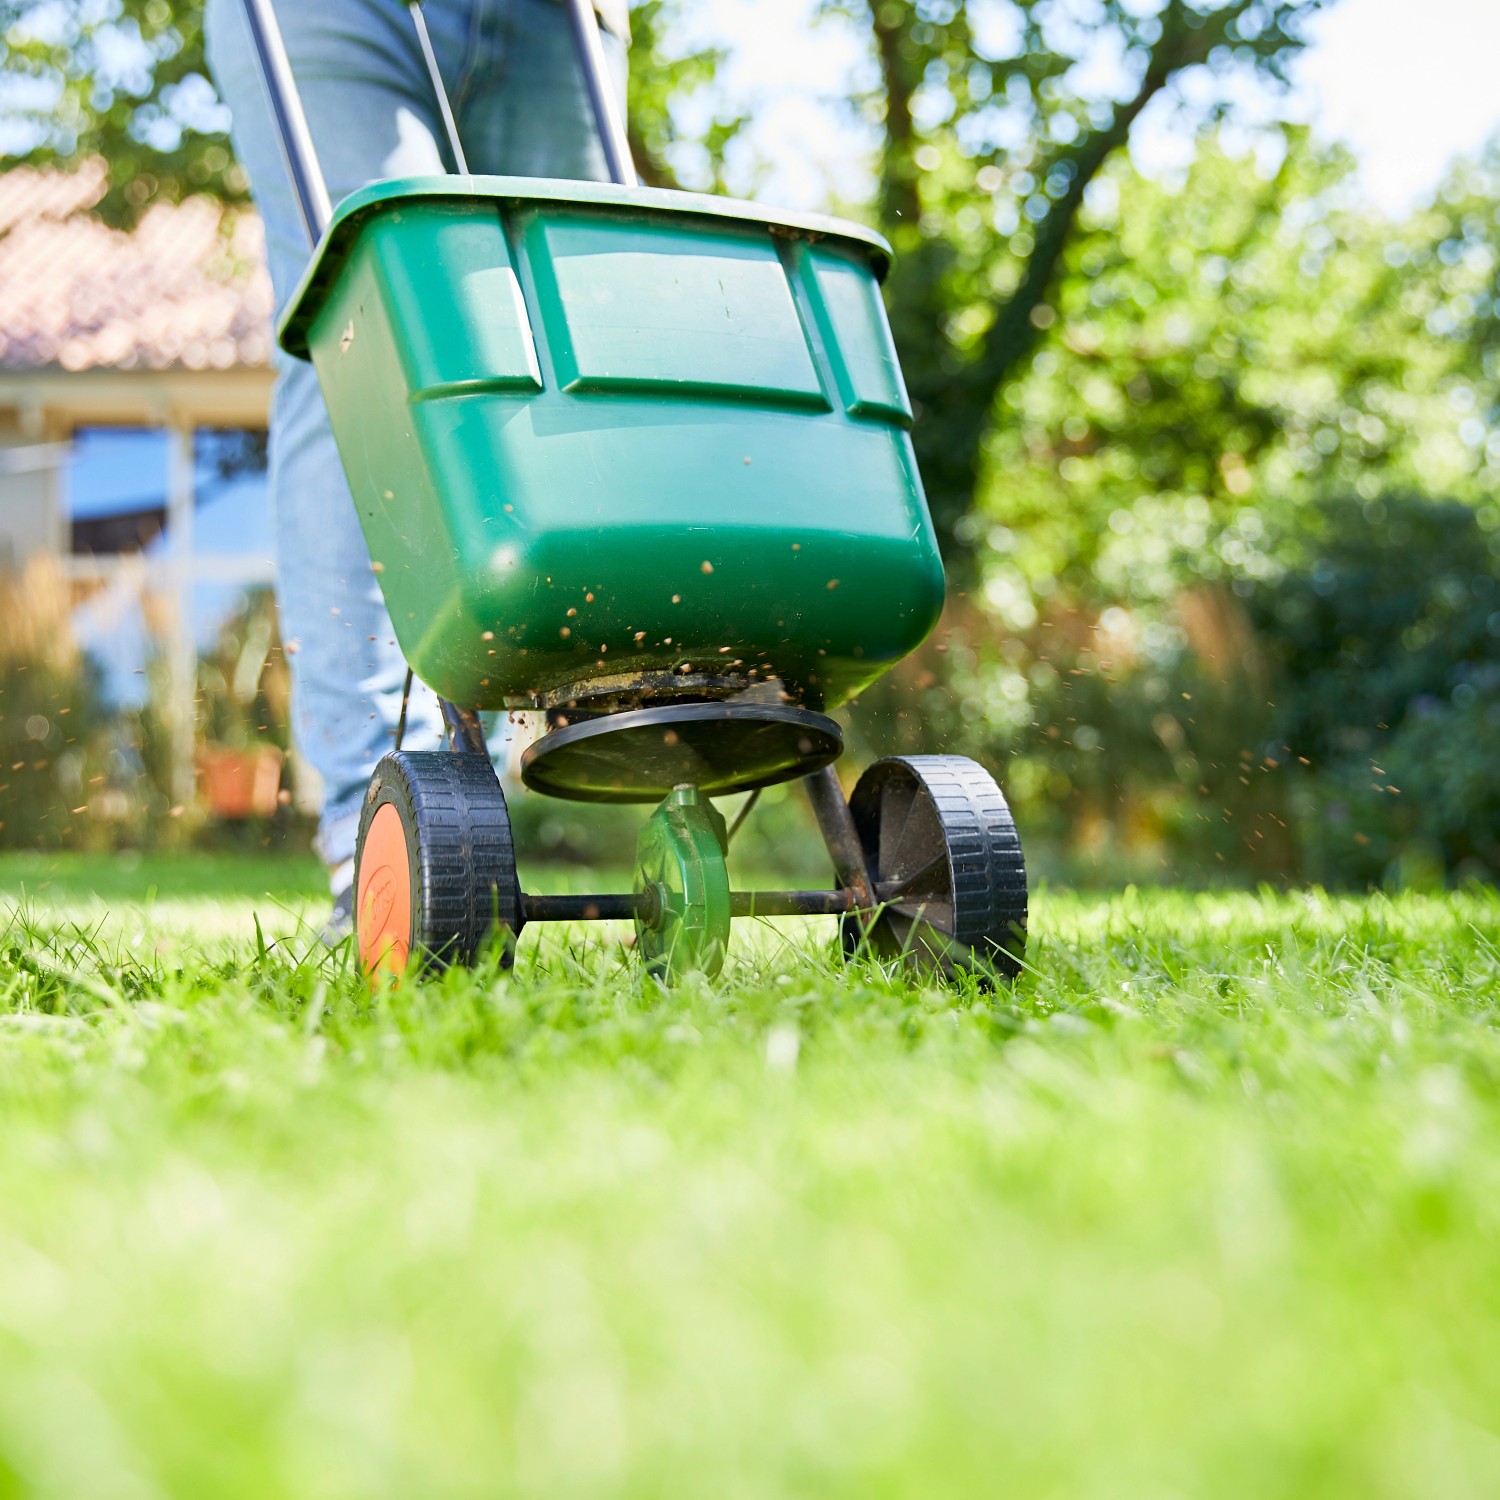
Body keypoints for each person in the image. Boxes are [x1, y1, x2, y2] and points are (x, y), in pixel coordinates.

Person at [204, 0, 628, 937]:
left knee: (576, 332)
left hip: (562, 18)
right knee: (359, 328)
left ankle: (532, 774)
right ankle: (380, 828)